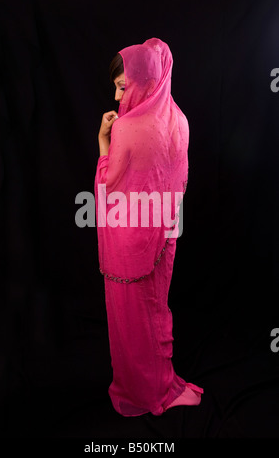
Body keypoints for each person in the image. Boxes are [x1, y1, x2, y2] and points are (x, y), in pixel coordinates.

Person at [94, 38, 203, 416]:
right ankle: (160, 382)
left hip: (129, 241)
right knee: (156, 313)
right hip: (163, 237)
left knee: (131, 322)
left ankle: (141, 391)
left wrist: (103, 143)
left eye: (122, 86)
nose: (115, 94)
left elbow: (110, 188)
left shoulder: (125, 128)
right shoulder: (180, 120)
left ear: (142, 81)